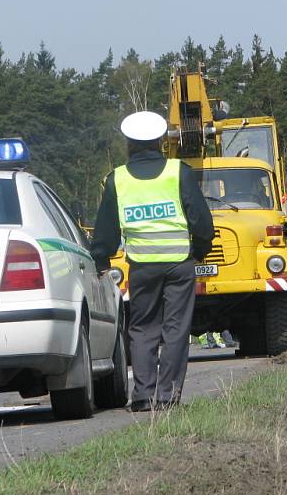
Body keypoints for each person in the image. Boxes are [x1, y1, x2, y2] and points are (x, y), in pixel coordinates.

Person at [90, 111, 214, 412]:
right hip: (179, 264)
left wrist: (101, 259)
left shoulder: (116, 179)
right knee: (176, 329)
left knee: (143, 328)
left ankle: (143, 396)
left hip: (142, 266)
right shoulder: (178, 172)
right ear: (160, 141)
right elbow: (201, 220)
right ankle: (168, 395)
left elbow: (106, 227)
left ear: (128, 143)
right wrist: (200, 250)